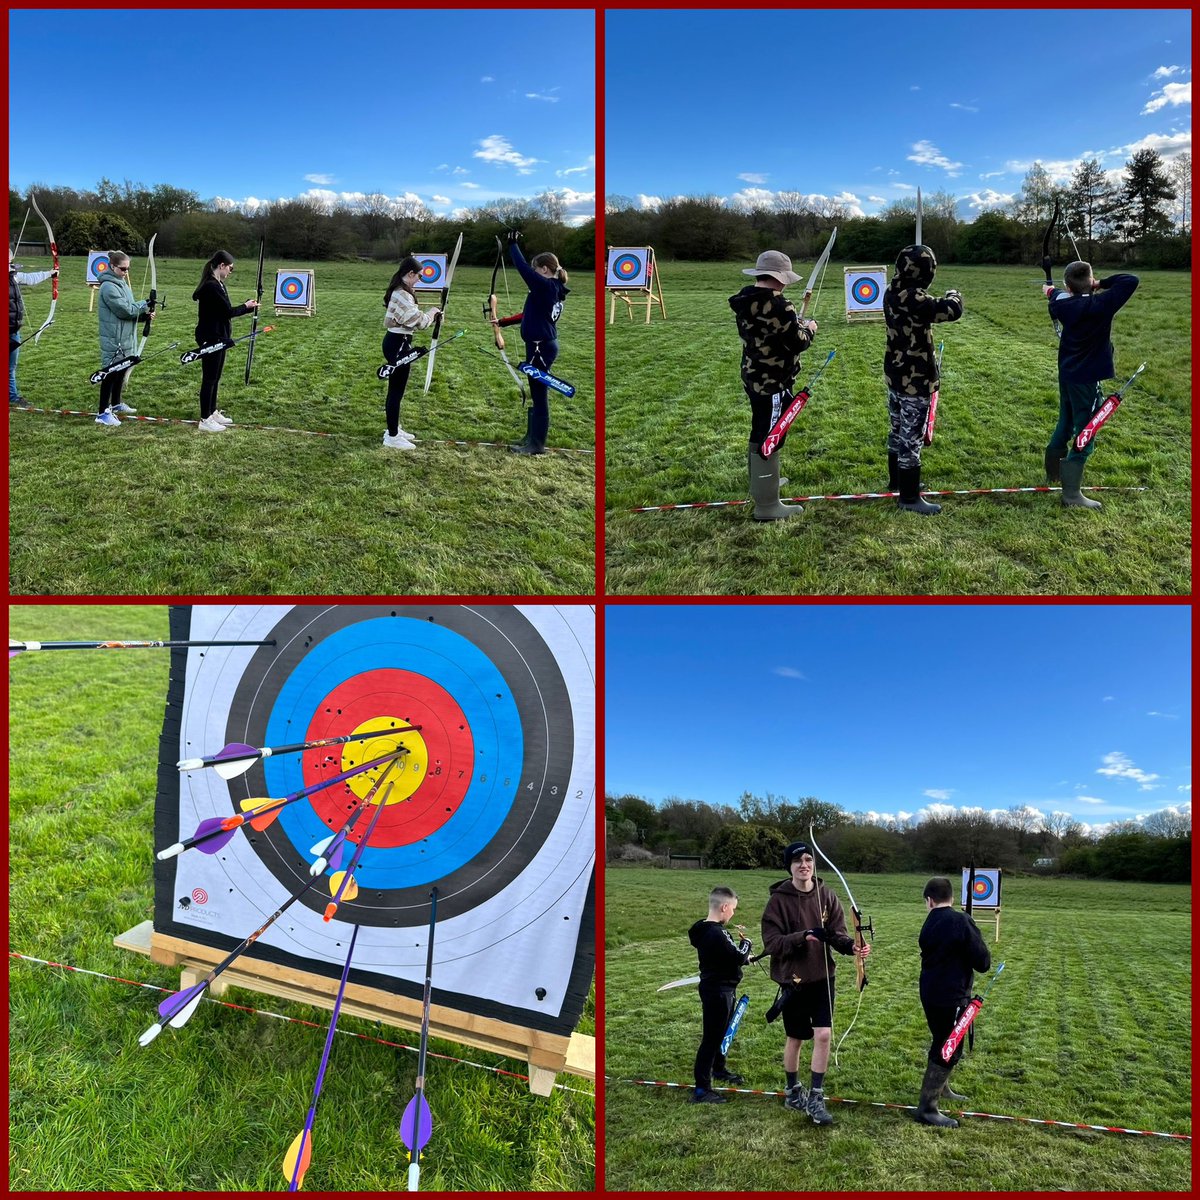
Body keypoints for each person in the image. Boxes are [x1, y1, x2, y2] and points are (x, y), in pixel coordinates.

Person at [761, 841, 871, 1125]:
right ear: (790, 867)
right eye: (797, 861)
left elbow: (837, 934)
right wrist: (803, 936)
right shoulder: (778, 901)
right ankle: (793, 1090)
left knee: (823, 1034)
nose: (804, 865)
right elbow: (772, 943)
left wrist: (853, 947)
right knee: (796, 1038)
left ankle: (816, 1097)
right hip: (794, 980)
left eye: (808, 859)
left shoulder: (827, 895)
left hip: (823, 977)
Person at [729, 251, 817, 520]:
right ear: (779, 278)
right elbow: (798, 342)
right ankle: (767, 505)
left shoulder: (746, 300)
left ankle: (763, 483)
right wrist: (810, 327)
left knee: (761, 427)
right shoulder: (779, 306)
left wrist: (795, 324)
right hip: (772, 382)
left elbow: (772, 334)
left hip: (753, 376)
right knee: (771, 434)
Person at [1042, 262, 1139, 508]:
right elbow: (1130, 280)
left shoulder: (1061, 303)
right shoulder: (1101, 304)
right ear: (1090, 281)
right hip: (1086, 379)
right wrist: (1100, 283)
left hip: (1068, 375)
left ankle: (1054, 472)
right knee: (1087, 430)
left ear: (1067, 286)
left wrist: (1051, 291)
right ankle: (1072, 495)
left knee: (1066, 420)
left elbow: (1055, 293)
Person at [883, 245, 963, 514]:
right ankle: (909, 497)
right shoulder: (914, 299)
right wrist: (954, 294)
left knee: (897, 431)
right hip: (913, 380)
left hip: (896, 375)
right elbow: (952, 310)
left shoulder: (893, 291)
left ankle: (897, 482)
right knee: (911, 438)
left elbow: (926, 306)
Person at [916, 876, 991, 1128]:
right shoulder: (960, 921)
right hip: (952, 995)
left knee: (940, 1039)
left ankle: (942, 1089)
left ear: (929, 900)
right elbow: (983, 963)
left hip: (930, 992)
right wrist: (971, 928)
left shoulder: (930, 921)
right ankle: (928, 1108)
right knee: (950, 1048)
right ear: (951, 897)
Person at [501, 233, 569, 455]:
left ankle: (537, 445)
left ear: (545, 269)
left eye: (536, 268)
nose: (534, 272)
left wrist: (513, 245)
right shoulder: (550, 287)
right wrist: (503, 322)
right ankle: (532, 436)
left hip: (541, 348)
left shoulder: (548, 286)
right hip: (540, 345)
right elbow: (531, 314)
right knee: (536, 391)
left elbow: (522, 268)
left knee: (539, 395)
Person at [687, 886, 753, 1104]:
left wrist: (743, 956)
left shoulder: (705, 930)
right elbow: (736, 956)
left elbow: (725, 956)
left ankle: (719, 1069)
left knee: (723, 1032)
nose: (733, 913)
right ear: (724, 907)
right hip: (718, 992)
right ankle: (702, 1089)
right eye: (733, 908)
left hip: (722, 988)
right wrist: (747, 944)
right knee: (712, 1038)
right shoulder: (716, 932)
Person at [191, 250, 260, 433]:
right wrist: (246, 307)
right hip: (211, 337)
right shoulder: (211, 286)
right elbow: (227, 312)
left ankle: (212, 411)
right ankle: (205, 419)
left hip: (220, 336)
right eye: (230, 268)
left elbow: (224, 311)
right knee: (209, 378)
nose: (231, 271)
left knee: (216, 377)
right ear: (221, 265)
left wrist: (246, 307)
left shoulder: (218, 284)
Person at [381, 256, 440, 450]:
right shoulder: (402, 294)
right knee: (396, 391)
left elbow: (412, 318)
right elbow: (420, 321)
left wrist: (431, 315)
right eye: (419, 277)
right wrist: (432, 313)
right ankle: (392, 436)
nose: (420, 280)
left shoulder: (403, 292)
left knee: (397, 389)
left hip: (399, 342)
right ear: (410, 274)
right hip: (397, 344)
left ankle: (394, 427)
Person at [95, 250, 154, 427]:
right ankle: (102, 413)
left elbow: (129, 312)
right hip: (114, 339)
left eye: (128, 269)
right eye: (122, 269)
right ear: (112, 267)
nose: (126, 272)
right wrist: (144, 303)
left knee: (121, 370)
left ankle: (116, 403)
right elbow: (126, 310)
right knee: (110, 374)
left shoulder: (121, 283)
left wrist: (144, 316)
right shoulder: (108, 287)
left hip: (125, 336)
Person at [8, 246, 59, 408]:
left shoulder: (13, 277)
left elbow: (30, 278)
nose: (11, 259)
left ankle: (12, 396)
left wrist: (50, 273)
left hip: (13, 329)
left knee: (10, 367)